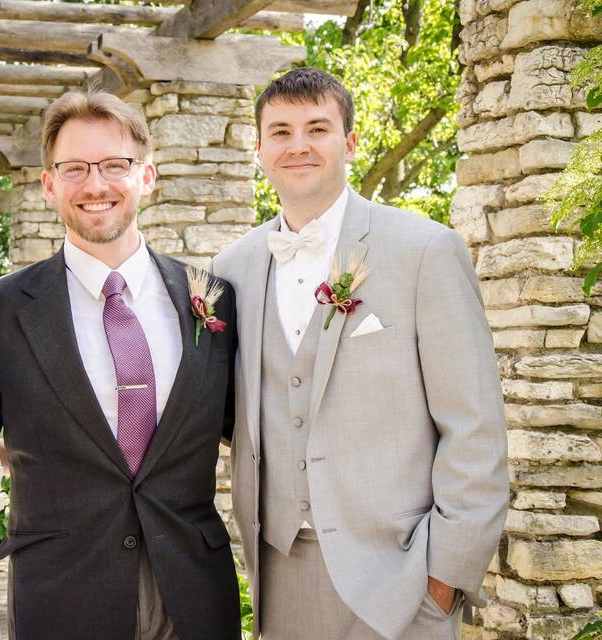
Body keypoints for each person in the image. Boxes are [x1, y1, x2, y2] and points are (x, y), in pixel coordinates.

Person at [211, 68, 509, 640]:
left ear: (349, 142)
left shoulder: (425, 250)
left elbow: (474, 427)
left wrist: (442, 577)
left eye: (317, 128)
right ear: (259, 150)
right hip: (279, 568)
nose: (297, 145)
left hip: (401, 573)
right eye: (280, 132)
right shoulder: (231, 270)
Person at [0, 90, 240, 640]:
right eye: (74, 169)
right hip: (62, 594)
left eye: (114, 165)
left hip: (193, 594)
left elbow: (256, 429)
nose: (95, 185)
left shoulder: (215, 298)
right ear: (49, 185)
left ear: (147, 176)